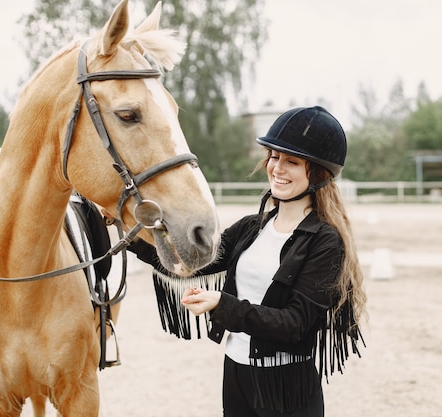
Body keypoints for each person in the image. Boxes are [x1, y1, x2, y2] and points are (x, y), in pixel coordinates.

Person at [130, 106, 366, 417]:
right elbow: (192, 264)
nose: (277, 168)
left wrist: (222, 304)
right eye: (274, 156)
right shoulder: (252, 227)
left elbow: (295, 324)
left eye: (291, 161)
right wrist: (132, 237)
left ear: (319, 173)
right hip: (236, 374)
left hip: (286, 387)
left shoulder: (326, 242)